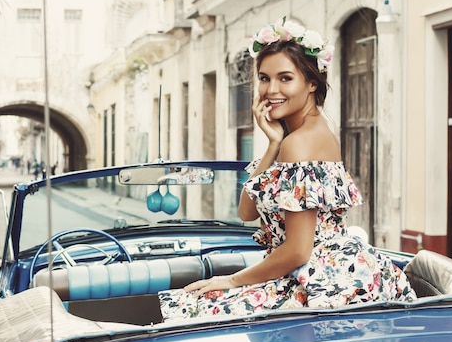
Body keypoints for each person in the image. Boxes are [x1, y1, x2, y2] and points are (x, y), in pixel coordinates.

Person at [158, 17, 416, 321]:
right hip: (312, 269)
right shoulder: (292, 137)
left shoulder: (303, 143)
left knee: (193, 308)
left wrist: (230, 280)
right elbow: (247, 212)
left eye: (285, 78)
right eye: (264, 78)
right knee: (194, 304)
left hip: (323, 279)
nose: (271, 89)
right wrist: (271, 144)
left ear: (311, 82)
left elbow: (297, 250)